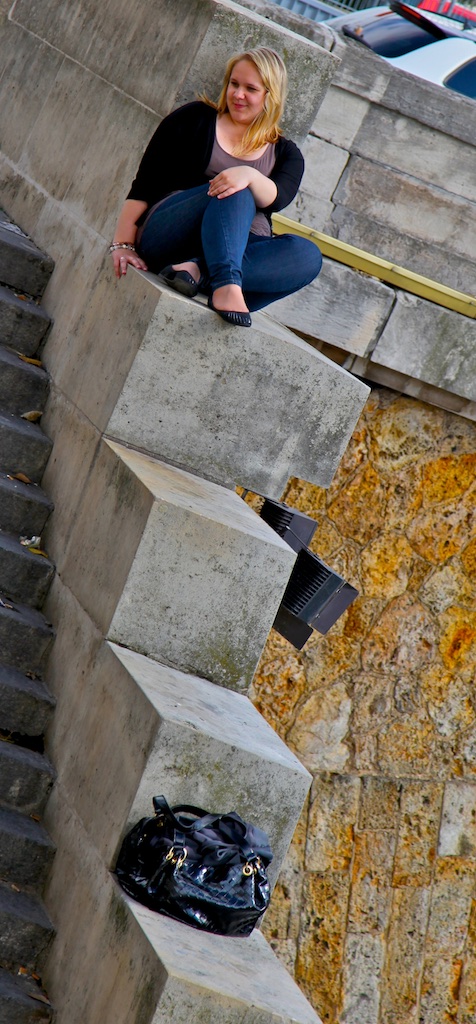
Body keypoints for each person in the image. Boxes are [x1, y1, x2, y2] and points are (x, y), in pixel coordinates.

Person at [109, 47, 322, 327]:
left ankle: (199, 273)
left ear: (271, 96)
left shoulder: (286, 154)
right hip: (171, 234)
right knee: (235, 189)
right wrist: (122, 244)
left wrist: (250, 174)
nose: (238, 94)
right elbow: (145, 184)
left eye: (250, 89)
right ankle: (225, 280)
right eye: (234, 84)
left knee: (308, 256)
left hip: (238, 248)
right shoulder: (194, 119)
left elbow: (278, 198)